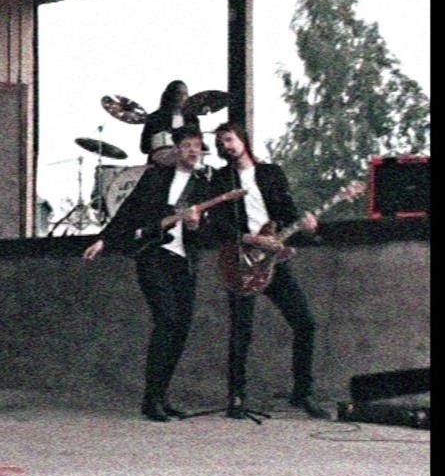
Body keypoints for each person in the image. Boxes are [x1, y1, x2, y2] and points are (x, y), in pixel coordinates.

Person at [83, 126, 215, 422]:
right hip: (154, 256)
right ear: (176, 150)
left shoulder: (204, 186)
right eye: (187, 145)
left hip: (184, 261)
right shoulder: (156, 177)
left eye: (197, 146)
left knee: (180, 328)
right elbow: (128, 212)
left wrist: (195, 226)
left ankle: (161, 395)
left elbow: (208, 233)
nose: (193, 151)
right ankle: (151, 398)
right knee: (166, 320)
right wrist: (103, 240)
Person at [209, 121, 330, 419]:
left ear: (243, 139)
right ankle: (236, 397)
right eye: (221, 143)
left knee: (305, 323)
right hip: (239, 260)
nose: (226, 146)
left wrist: (306, 229)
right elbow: (217, 224)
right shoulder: (221, 179)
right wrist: (250, 239)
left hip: (272, 260)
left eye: (229, 139)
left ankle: (302, 393)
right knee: (241, 330)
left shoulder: (271, 173)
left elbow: (287, 213)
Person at [140, 80, 199, 166]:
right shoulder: (155, 117)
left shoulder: (192, 119)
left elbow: (198, 144)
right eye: (178, 93)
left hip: (185, 166)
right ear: (169, 95)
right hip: (158, 166)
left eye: (185, 94)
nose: (182, 97)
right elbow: (144, 148)